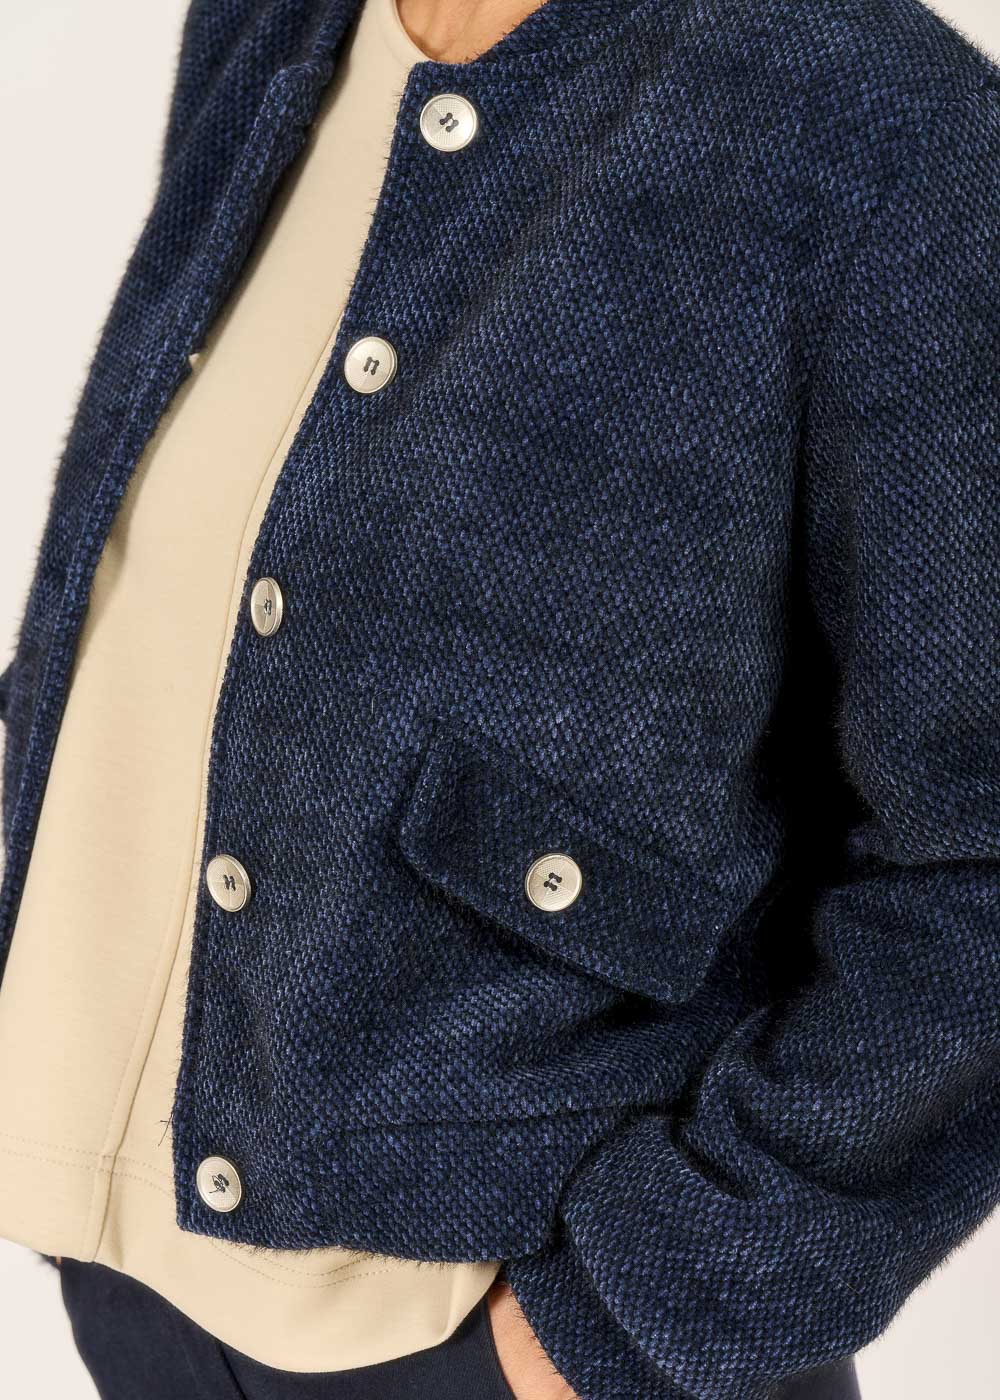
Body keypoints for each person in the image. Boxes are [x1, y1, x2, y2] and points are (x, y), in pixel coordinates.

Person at [0, 0, 997, 1395]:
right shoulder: (267, 25)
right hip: (132, 1285)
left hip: (498, 1326)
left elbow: (976, 851)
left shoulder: (870, 121)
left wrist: (635, 1315)